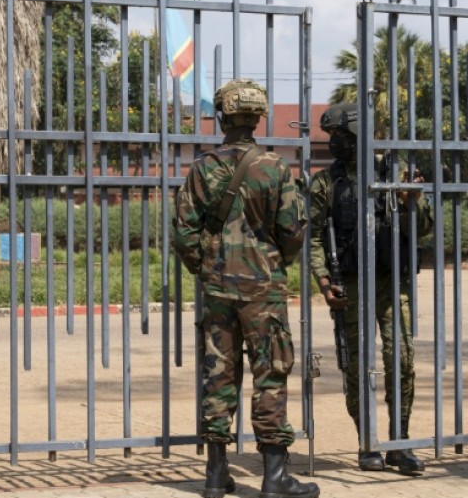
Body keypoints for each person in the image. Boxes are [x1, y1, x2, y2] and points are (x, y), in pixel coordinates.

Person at [174, 79, 318, 498]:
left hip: (217, 289)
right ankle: (274, 477)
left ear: (222, 116)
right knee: (270, 373)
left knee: (218, 375)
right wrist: (274, 264)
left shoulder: (202, 168)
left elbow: (184, 231)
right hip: (263, 289)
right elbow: (293, 230)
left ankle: (216, 475)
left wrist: (206, 269)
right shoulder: (275, 168)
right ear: (257, 118)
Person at [308, 102, 433, 475]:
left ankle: (399, 442)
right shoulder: (325, 183)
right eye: (331, 137)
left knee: (403, 361)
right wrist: (324, 282)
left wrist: (413, 200)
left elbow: (423, 228)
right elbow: (313, 238)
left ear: (359, 137)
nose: (334, 144)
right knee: (357, 367)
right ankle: (368, 443)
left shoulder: (394, 176)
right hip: (350, 285)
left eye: (341, 137)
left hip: (393, 283)